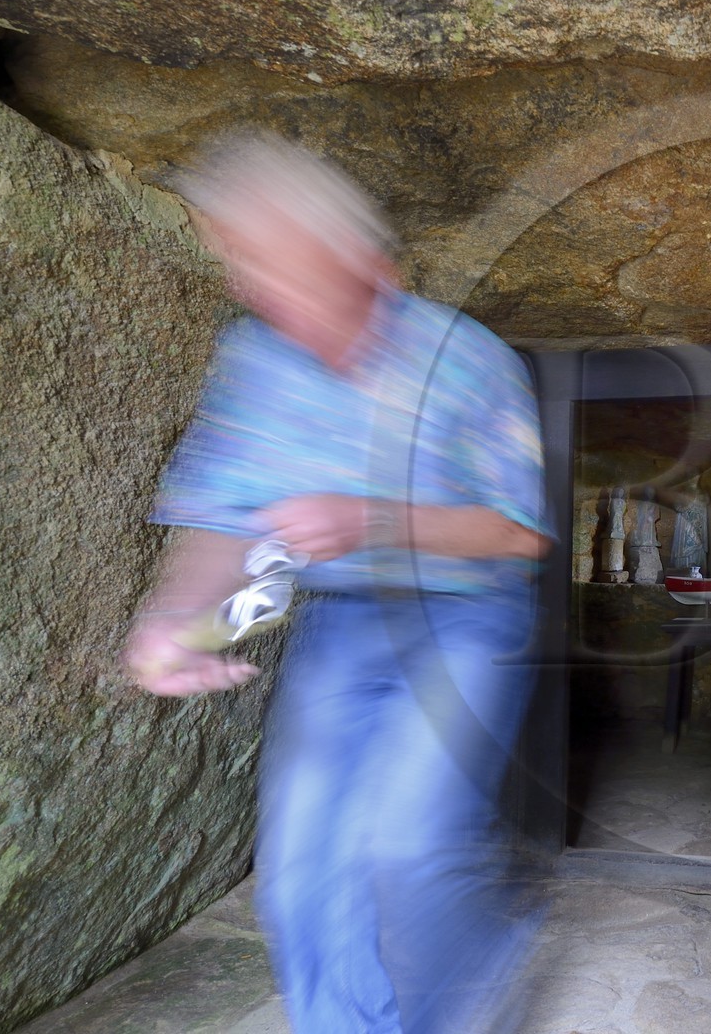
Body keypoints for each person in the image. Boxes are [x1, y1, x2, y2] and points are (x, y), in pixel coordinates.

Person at [121, 132, 551, 1034]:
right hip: (345, 616)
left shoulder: (469, 358)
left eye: (284, 266)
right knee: (298, 872)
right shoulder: (257, 359)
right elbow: (220, 517)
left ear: (367, 265)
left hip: (471, 614)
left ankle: (470, 989)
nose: (260, 289)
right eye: (245, 266)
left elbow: (519, 534)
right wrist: (174, 618)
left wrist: (372, 518)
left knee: (407, 845)